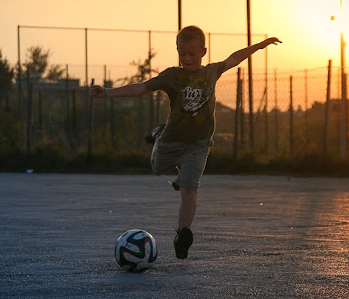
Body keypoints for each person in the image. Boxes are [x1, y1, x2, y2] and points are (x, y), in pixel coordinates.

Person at [90, 25, 281, 259]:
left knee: (190, 188)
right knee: (158, 168)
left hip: (199, 144)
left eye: (192, 53)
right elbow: (141, 88)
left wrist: (260, 46)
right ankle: (158, 134)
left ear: (203, 51)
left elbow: (234, 57)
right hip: (171, 140)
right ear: (177, 51)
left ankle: (183, 233)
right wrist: (108, 92)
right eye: (182, 53)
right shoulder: (173, 76)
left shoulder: (211, 72)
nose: (187, 58)